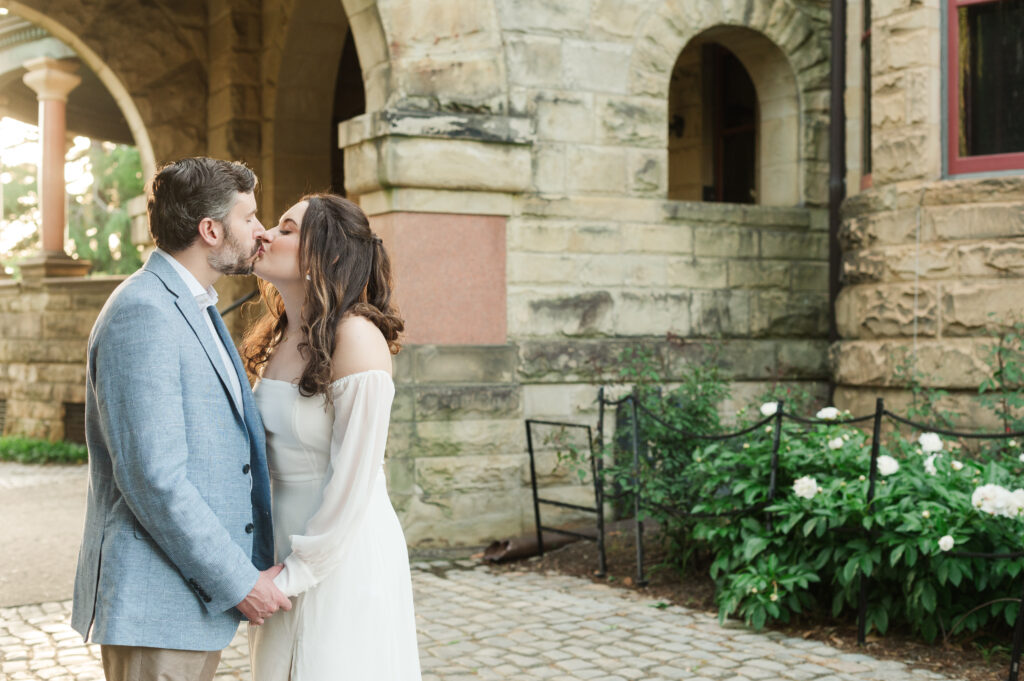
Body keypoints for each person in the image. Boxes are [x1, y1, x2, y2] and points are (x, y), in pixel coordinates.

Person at [71, 157, 291, 681]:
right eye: (250, 218)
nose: (261, 232)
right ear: (210, 230)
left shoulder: (192, 304)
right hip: (155, 610)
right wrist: (239, 580)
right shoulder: (144, 311)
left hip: (181, 609)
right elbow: (154, 478)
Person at [242, 194, 421, 680]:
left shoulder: (357, 336)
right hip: (283, 546)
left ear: (331, 254)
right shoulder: (280, 337)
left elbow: (354, 479)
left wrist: (298, 570)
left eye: (286, 229)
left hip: (341, 553)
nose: (266, 235)